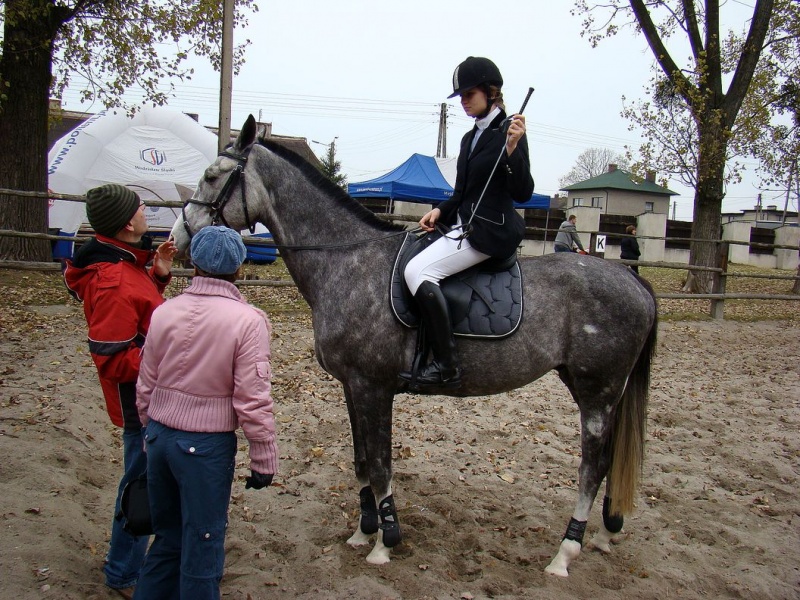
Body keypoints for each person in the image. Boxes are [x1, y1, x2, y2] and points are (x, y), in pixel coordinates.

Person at [134, 225, 278, 600]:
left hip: (160, 437)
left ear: (192, 262)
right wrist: (263, 457)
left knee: (165, 539)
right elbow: (252, 397)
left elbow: (145, 381)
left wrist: (149, 430)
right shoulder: (248, 321)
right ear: (239, 267)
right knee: (203, 542)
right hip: (204, 447)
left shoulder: (166, 310)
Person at [63, 184, 177, 596]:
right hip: (140, 403)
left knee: (146, 479)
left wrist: (157, 276)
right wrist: (171, 361)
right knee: (141, 484)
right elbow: (112, 359)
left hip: (150, 394)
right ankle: (123, 572)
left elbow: (140, 313)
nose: (147, 212)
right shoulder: (112, 279)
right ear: (129, 222)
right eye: (142, 207)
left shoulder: (125, 264)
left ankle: (132, 562)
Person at [399, 56, 534, 390]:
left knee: (418, 272)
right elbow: (461, 191)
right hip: (462, 225)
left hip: (490, 231)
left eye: (469, 93)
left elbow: (523, 192)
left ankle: (447, 367)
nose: (463, 101)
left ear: (490, 91)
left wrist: (513, 150)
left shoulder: (510, 131)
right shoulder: (468, 138)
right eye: (460, 95)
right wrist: (441, 211)